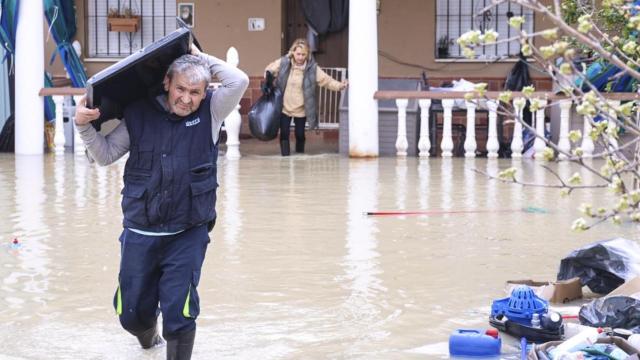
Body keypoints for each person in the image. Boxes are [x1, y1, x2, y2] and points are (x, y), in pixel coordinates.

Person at [74, 45, 249, 360]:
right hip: (141, 231)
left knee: (179, 313)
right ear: (167, 82)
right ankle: (149, 342)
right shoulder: (139, 113)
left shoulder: (212, 111)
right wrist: (83, 126)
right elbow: (104, 155)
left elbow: (238, 81)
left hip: (188, 231)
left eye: (195, 92)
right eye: (180, 88)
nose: (187, 98)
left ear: (205, 91)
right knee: (131, 315)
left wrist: (199, 56)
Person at [265, 38, 347, 156]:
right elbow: (270, 70)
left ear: (307, 54)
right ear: (293, 52)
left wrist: (340, 86)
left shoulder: (312, 69)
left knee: (300, 134)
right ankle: (285, 158)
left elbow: (326, 81)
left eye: (303, 54)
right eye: (298, 54)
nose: (300, 57)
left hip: (301, 109)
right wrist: (267, 77)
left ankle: (299, 156)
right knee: (284, 133)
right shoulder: (284, 63)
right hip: (284, 107)